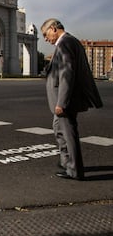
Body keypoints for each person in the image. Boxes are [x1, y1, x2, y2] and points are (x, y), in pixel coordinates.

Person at [41, 18, 103, 180]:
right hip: (65, 100)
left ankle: (74, 170)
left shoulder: (65, 43)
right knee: (59, 129)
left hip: (65, 101)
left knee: (68, 133)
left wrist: (61, 102)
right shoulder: (69, 42)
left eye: (45, 34)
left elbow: (67, 75)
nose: (45, 39)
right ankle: (66, 162)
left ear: (53, 28)